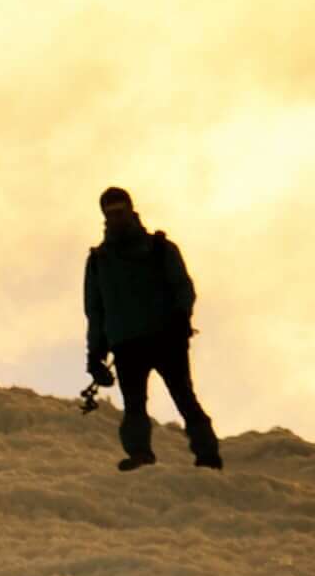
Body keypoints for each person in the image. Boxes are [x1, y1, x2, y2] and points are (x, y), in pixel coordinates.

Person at [84, 183, 222, 472]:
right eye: (110, 213)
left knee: (184, 397)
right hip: (127, 344)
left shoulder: (159, 248)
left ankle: (207, 456)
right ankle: (140, 455)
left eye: (119, 210)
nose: (116, 217)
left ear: (130, 210)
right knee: (135, 405)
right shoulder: (99, 261)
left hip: (164, 337)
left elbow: (183, 287)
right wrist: (95, 353)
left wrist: (180, 318)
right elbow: (95, 310)